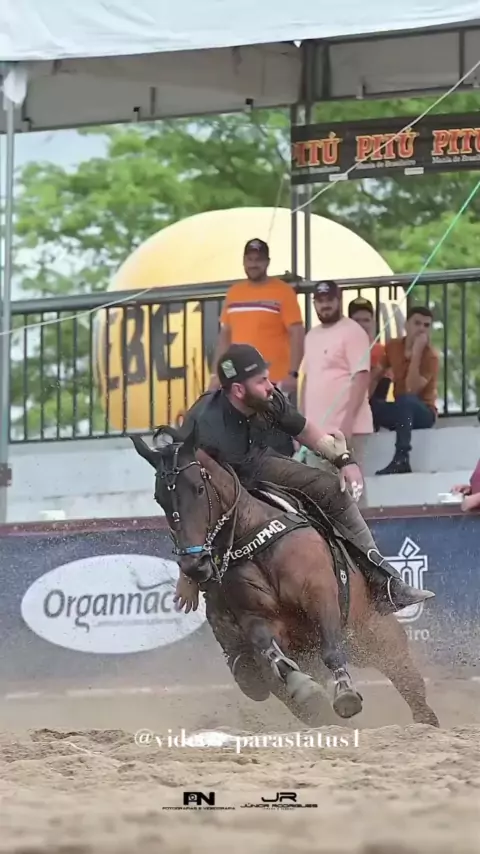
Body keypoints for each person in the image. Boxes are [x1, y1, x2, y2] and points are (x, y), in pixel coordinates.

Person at [299, 281, 373, 495]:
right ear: (314, 303)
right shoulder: (311, 336)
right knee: (320, 494)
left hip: (347, 429)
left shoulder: (353, 332)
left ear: (339, 300)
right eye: (320, 301)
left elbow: (361, 377)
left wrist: (348, 422)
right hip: (316, 433)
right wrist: (301, 425)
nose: (325, 305)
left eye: (329, 300)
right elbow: (307, 380)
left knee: (350, 492)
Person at [208, 238, 304, 398]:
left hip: (272, 382)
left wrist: (293, 374)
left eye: (258, 260)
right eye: (249, 259)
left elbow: (297, 332)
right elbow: (226, 337)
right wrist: (218, 376)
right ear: (243, 261)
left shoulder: (283, 291)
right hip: (239, 382)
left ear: (267, 262)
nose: (253, 264)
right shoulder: (234, 293)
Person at [371, 306, 439, 475]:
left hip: (424, 413)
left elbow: (411, 389)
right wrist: (363, 400)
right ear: (406, 325)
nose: (422, 329)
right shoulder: (393, 346)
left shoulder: (431, 356)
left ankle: (402, 458)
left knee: (406, 400)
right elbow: (376, 375)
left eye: (426, 325)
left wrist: (416, 354)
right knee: (371, 405)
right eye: (417, 323)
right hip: (401, 410)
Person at [347, 296, 391, 401]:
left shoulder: (383, 352)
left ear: (373, 323)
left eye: (366, 320)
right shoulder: (342, 351)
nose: (362, 325)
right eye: (357, 320)